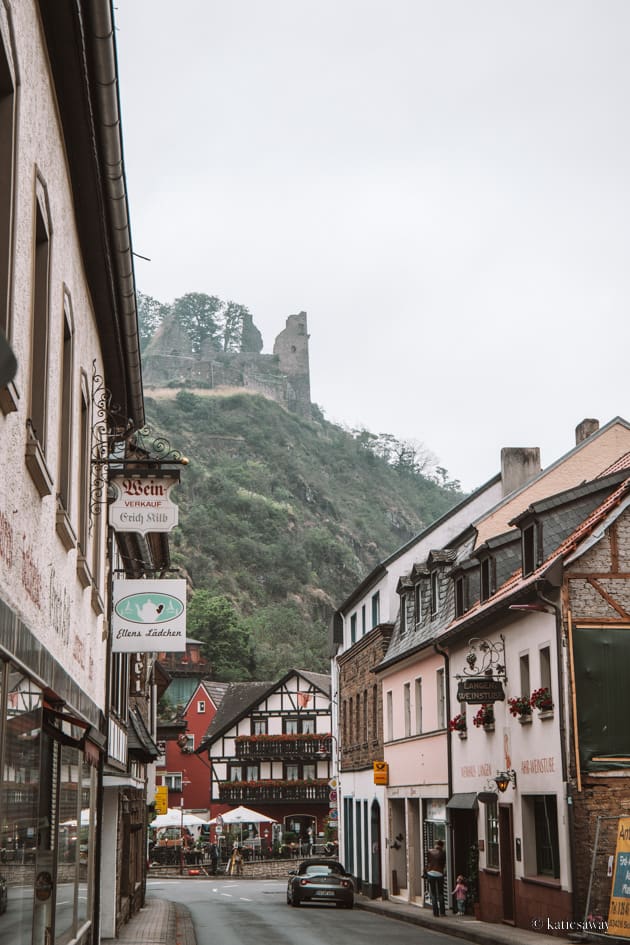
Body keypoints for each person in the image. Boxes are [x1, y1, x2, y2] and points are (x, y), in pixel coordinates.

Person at [425, 839, 446, 917]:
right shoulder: (443, 852)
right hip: (439, 873)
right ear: (442, 845)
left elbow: (428, 862)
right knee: (440, 893)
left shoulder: (430, 851)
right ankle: (442, 912)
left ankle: (435, 913)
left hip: (430, 873)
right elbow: (443, 863)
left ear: (436, 844)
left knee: (433, 894)